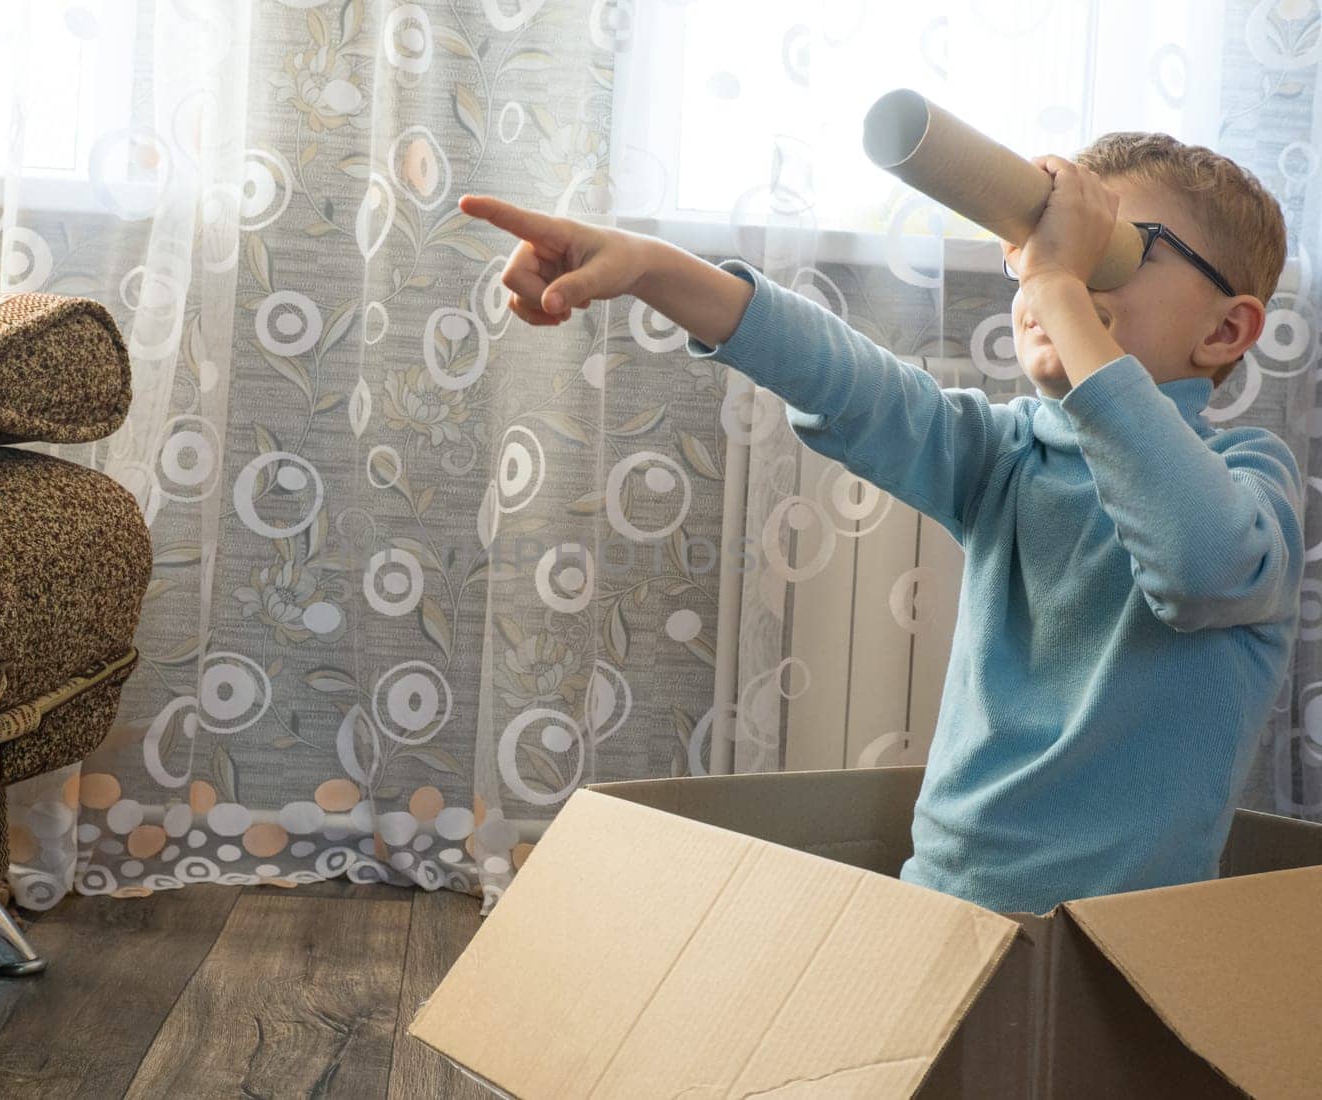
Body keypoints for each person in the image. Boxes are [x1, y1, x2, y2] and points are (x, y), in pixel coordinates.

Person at [457, 132, 1304, 914]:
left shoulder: (1249, 485)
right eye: (1044, 246)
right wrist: (650, 267)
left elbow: (1194, 562)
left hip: (1122, 940)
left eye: (1115, 248)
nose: (1063, 272)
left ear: (1226, 328)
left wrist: (1058, 286)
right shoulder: (1006, 458)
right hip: (941, 901)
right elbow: (849, 382)